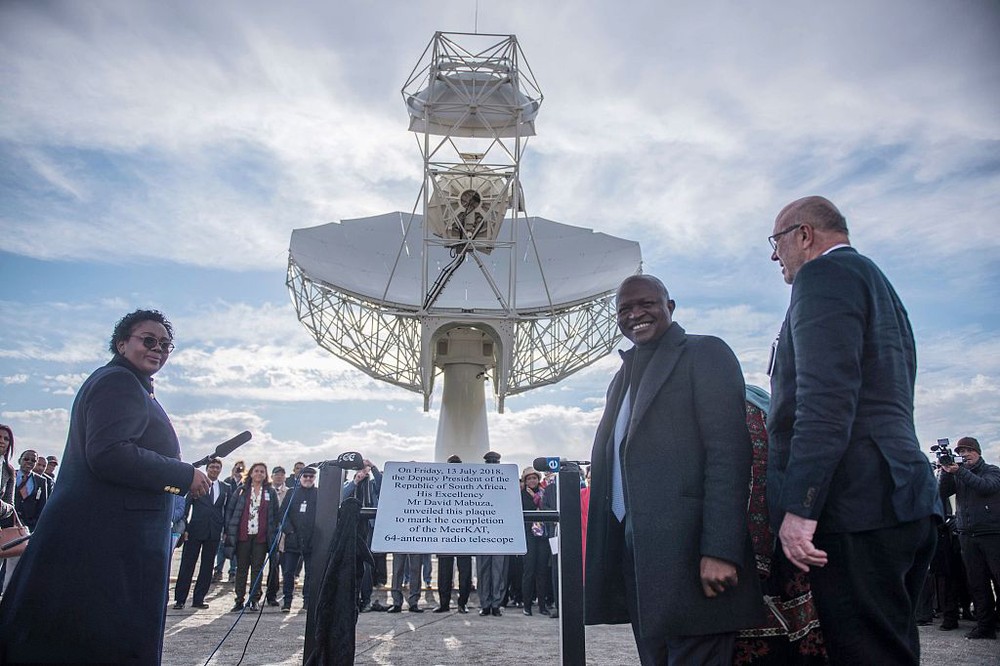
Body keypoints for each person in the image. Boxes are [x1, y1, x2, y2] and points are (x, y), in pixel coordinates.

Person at [766, 196, 942, 664]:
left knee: (864, 652)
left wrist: (801, 508)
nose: (774, 255)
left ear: (804, 235)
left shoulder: (822, 277)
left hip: (857, 505)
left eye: (777, 241)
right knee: (893, 645)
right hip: (900, 494)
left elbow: (825, 401)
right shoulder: (876, 282)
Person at [0, 309, 210, 664]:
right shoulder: (119, 382)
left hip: (109, 543)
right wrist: (182, 474)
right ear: (122, 343)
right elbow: (109, 453)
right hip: (107, 546)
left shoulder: (130, 385)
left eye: (165, 344)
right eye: (148, 340)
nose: (158, 348)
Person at [585, 274, 762, 665]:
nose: (636, 314)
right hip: (639, 559)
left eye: (646, 303)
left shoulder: (704, 354)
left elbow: (728, 455)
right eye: (625, 309)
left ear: (671, 306)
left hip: (691, 558)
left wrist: (720, 550)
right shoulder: (621, 380)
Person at [938, 436, 1000, 640]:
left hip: (991, 534)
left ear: (978, 452)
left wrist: (959, 471)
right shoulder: (958, 474)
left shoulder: (992, 471)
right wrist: (947, 473)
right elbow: (941, 493)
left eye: (968, 451)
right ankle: (985, 626)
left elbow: (986, 487)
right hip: (967, 536)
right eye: (961, 452)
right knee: (978, 583)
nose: (964, 455)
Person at [174, 457, 229, 610]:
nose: (215, 470)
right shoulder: (198, 484)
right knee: (187, 564)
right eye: (212, 467)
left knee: (207, 566)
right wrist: (184, 528)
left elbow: (227, 510)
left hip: (214, 531)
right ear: (207, 468)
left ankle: (199, 598)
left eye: (217, 467)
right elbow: (186, 507)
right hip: (195, 529)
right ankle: (180, 599)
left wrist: (225, 530)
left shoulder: (225, 488)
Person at [225, 461, 280, 612]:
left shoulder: (270, 492)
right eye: (256, 471)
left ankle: (254, 599)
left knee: (257, 569)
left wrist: (273, 532)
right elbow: (231, 511)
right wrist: (229, 530)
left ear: (265, 475)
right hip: (243, 536)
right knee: (241, 569)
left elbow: (276, 514)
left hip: (261, 538)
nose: (259, 474)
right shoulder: (242, 490)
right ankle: (239, 600)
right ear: (250, 473)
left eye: (262, 471)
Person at [343, 459, 383, 611]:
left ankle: (365, 600)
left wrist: (373, 467)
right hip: (352, 528)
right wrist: (355, 482)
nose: (363, 472)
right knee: (351, 563)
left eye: (365, 469)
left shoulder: (373, 485)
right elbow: (342, 495)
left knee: (366, 565)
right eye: (360, 469)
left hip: (368, 528)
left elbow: (382, 484)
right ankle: (351, 599)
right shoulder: (349, 484)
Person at [435, 454, 472, 614]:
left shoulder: (469, 484)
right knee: (444, 573)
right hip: (445, 535)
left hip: (464, 535)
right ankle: (444, 603)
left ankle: (462, 603)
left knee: (465, 573)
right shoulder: (439, 485)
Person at [280, 465, 318, 612]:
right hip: (293, 539)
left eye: (311, 476)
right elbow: (282, 514)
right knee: (289, 572)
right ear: (300, 477)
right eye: (305, 476)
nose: (308, 479)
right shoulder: (291, 493)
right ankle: (287, 601)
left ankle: (307, 601)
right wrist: (289, 530)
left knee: (310, 572)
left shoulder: (318, 493)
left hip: (311, 540)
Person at [477, 450, 508, 617]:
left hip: (499, 532)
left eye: (494, 461)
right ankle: (485, 603)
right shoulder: (479, 480)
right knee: (483, 571)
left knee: (498, 571)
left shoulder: (505, 481)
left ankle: (496, 603)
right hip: (482, 533)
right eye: (489, 461)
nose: (492, 464)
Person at [520, 467, 551, 616]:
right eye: (529, 478)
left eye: (534, 478)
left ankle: (542, 605)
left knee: (542, 570)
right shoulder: (521, 495)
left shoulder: (544, 493)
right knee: (529, 570)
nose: (532, 481)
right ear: (525, 481)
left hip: (542, 535)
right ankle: (527, 605)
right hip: (528, 535)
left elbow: (547, 508)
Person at [214, 459, 246, 583]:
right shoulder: (227, 482)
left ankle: (233, 572)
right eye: (237, 468)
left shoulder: (246, 484)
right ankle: (218, 571)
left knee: (236, 546)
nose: (239, 471)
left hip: (239, 518)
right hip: (226, 517)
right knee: (222, 546)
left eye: (241, 469)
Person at [265, 465, 290, 607]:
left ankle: (275, 595)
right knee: (270, 567)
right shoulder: (267, 490)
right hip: (268, 532)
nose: (279, 476)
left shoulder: (289, 492)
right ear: (272, 476)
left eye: (282, 474)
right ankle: (266, 595)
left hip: (284, 535)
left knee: (282, 567)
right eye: (277, 474)